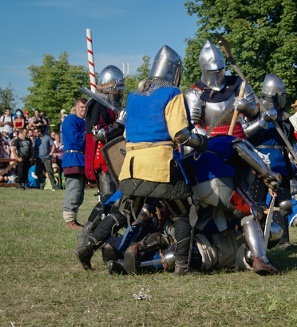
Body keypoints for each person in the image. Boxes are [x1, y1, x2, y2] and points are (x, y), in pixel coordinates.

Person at [117, 44, 208, 275]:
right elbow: (179, 133)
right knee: (182, 213)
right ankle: (182, 267)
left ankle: (106, 248)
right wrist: (199, 142)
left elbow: (127, 134)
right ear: (175, 71)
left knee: (124, 212)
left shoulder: (133, 95)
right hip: (160, 164)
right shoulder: (172, 93)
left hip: (131, 165)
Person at [245, 73, 297, 251]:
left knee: (284, 204)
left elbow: (292, 143)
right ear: (275, 95)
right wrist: (262, 121)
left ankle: (284, 241)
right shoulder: (254, 114)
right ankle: (257, 239)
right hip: (259, 162)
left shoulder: (284, 119)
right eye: (282, 94)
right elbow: (245, 135)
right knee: (256, 203)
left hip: (281, 162)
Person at [185, 40, 257, 139]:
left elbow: (255, 113)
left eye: (220, 69)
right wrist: (209, 139)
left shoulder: (237, 84)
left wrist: (246, 107)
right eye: (213, 71)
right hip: (212, 139)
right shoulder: (195, 92)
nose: (218, 73)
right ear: (204, 69)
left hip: (239, 136)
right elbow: (192, 125)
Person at [84, 65, 126, 198]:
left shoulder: (113, 106)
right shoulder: (97, 105)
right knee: (108, 197)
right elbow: (99, 133)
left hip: (116, 153)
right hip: (104, 156)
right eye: (118, 88)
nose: (120, 92)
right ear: (110, 88)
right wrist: (120, 123)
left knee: (118, 195)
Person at [62, 98, 87, 229]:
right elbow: (76, 138)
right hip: (73, 158)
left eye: (85, 107)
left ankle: (73, 218)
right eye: (81, 107)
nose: (83, 109)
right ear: (76, 107)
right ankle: (69, 220)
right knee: (74, 191)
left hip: (81, 159)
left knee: (79, 193)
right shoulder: (70, 120)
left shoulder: (84, 122)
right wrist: (90, 134)